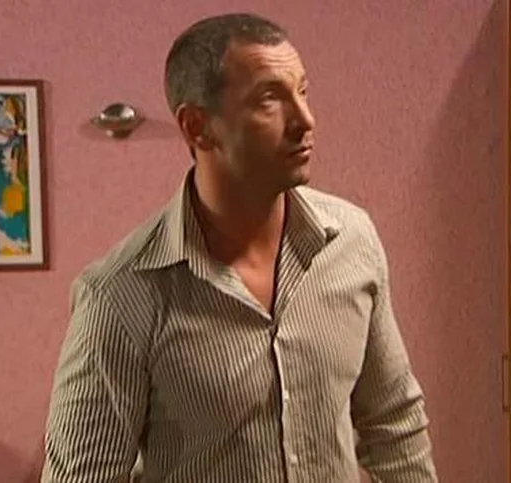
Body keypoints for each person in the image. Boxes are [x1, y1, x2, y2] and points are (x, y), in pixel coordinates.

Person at [41, 12, 437, 482]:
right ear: (197, 127)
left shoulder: (351, 242)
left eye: (303, 92)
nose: (304, 120)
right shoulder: (119, 296)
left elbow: (394, 423)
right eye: (269, 99)